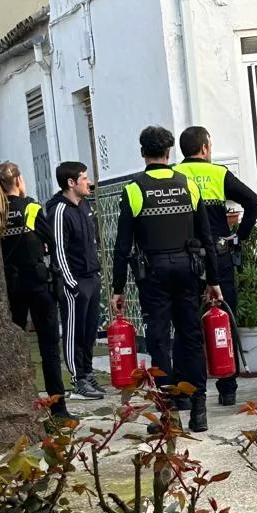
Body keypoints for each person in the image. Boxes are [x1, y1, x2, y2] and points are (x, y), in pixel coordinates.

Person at [111, 125, 222, 433]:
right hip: (189, 270)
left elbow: (122, 247)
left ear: (142, 152)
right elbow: (207, 236)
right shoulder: (188, 185)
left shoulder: (133, 190)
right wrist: (213, 279)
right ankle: (199, 409)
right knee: (191, 337)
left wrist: (118, 288)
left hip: (153, 275)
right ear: (169, 152)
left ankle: (168, 413)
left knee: (159, 341)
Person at [176, 126, 257, 408]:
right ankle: (227, 387)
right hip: (220, 256)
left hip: (186, 259)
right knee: (224, 317)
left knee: (188, 325)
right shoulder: (218, 174)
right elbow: (253, 200)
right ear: (204, 149)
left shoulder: (176, 176)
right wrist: (241, 236)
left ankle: (188, 390)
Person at [0, 161, 72, 421]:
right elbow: (50, 241)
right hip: (38, 284)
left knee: (14, 347)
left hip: (11, 287)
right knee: (49, 348)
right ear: (18, 180)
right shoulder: (31, 208)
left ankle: (18, 404)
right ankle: (58, 409)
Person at [45, 161, 104, 402]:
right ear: (71, 183)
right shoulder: (59, 211)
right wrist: (71, 284)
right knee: (74, 331)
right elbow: (58, 251)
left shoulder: (84, 206)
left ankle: (87, 372)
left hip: (91, 277)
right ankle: (77, 379)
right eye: (83, 178)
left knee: (90, 331)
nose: (88, 183)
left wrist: (96, 275)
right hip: (75, 282)